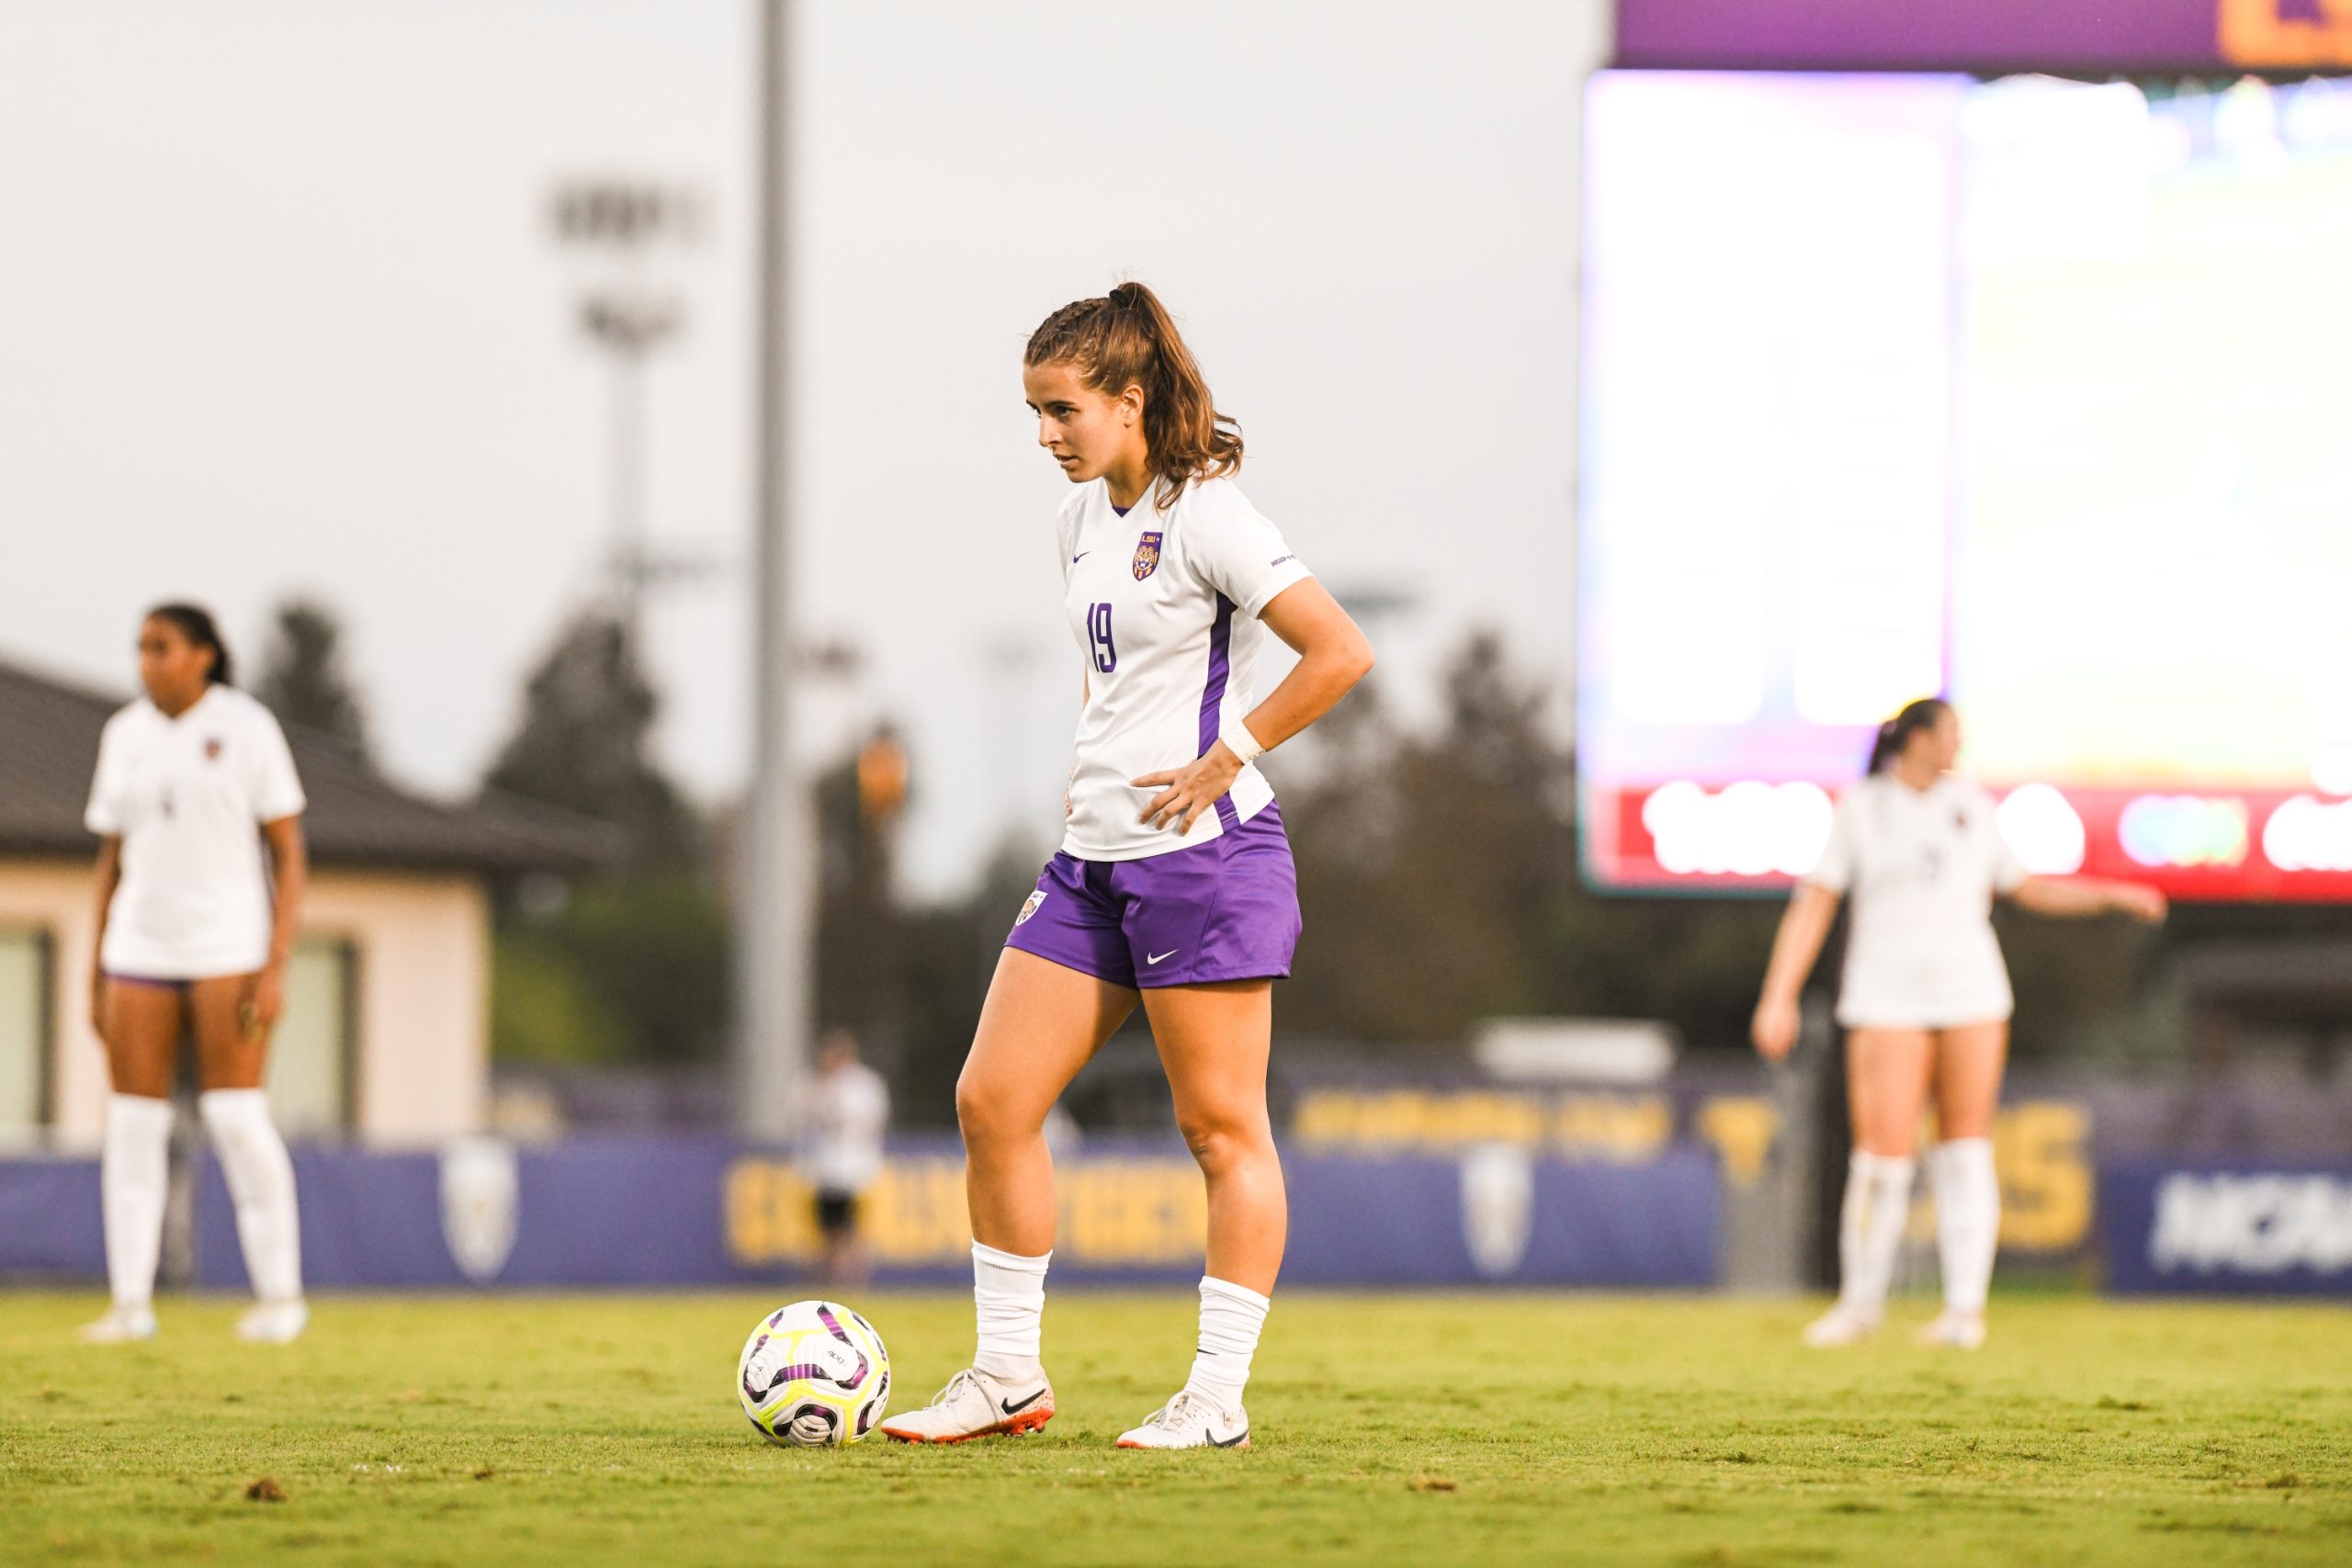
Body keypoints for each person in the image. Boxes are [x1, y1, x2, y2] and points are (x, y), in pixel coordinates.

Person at [880, 282, 1374, 1450]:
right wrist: (1088, 786)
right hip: (1092, 862)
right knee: (990, 1104)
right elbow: (1120, 688)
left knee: (1219, 1132)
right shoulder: (1078, 521)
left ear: (1130, 399)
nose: (1045, 436)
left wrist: (1227, 757)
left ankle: (1216, 1399)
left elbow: (1339, 651)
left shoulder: (1210, 512)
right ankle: (1007, 1376)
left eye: (1062, 411)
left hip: (1206, 861)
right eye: (1036, 414)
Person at [1751, 697, 2164, 1349]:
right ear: (1917, 739)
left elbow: (2026, 887)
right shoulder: (1863, 806)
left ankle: (1964, 1311)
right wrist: (1779, 995)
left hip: (1971, 991)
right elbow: (1815, 904)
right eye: (1950, 733)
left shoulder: (1971, 805)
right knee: (1882, 1157)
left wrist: (2112, 892)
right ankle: (1861, 1303)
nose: (1958, 745)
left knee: (1965, 1150)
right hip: (1885, 994)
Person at [79, 604, 311, 1344]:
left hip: (227, 951)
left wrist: (275, 963)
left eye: (162, 647)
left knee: (235, 1117)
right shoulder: (123, 735)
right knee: (134, 1125)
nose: (147, 660)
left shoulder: (247, 728)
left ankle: (280, 1296)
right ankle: (129, 1302)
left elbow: (289, 852)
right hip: (139, 952)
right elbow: (111, 859)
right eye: (141, 648)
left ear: (204, 656)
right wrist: (95, 967)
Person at [804, 1030, 889, 1287]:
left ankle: (854, 1280)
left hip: (856, 1170)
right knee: (827, 1230)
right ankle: (829, 1279)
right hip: (827, 1170)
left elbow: (867, 1121)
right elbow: (804, 1114)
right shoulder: (817, 1083)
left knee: (854, 1230)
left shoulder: (864, 1084)